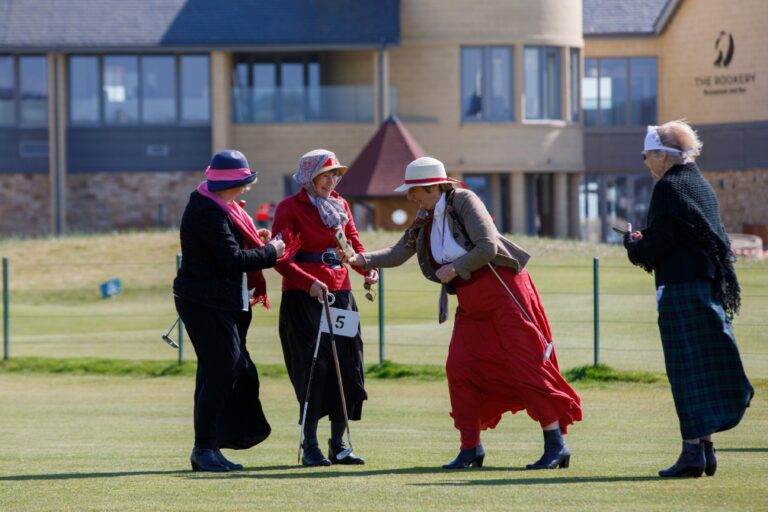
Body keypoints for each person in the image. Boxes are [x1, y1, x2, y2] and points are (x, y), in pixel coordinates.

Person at [342, 156, 582, 470]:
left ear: (430, 187)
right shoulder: (425, 215)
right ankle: (470, 449)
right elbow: (399, 252)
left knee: (528, 367)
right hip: (471, 304)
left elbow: (488, 247)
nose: (409, 196)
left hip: (505, 295)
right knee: (460, 368)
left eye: (413, 191)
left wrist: (454, 268)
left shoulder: (465, 200)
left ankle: (556, 445)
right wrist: (360, 259)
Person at [623, 121, 754, 478]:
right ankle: (705, 449)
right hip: (704, 289)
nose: (646, 162)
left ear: (663, 156)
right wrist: (649, 238)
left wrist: (635, 246)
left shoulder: (668, 187)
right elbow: (679, 233)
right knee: (700, 371)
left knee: (686, 372)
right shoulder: (699, 184)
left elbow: (658, 244)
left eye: (647, 155)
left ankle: (692, 453)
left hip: (681, 292)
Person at [173, 150, 286, 472]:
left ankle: (209, 447)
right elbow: (232, 260)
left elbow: (233, 250)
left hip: (224, 300)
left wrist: (257, 244)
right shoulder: (208, 211)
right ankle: (204, 448)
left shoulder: (222, 206)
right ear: (234, 183)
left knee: (218, 371)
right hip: (205, 301)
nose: (247, 188)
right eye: (244, 183)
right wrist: (271, 251)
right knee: (224, 369)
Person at [272, 149, 378, 466]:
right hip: (305, 298)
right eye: (326, 174)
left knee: (347, 366)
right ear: (309, 176)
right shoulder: (289, 208)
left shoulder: (340, 205)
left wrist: (367, 267)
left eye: (335, 174)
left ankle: (338, 444)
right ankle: (310, 446)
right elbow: (281, 257)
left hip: (340, 294)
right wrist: (309, 283)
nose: (332, 180)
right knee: (313, 370)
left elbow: (353, 245)